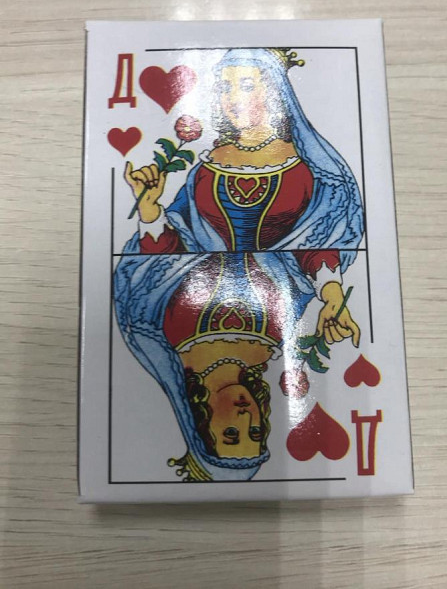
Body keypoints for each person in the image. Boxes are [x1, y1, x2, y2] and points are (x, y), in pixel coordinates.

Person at [115, 48, 364, 481]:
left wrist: (150, 212)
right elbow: (310, 251)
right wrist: (331, 298)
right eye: (225, 88)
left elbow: (166, 259)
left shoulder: (309, 168)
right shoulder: (278, 335)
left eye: (231, 434)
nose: (247, 418)